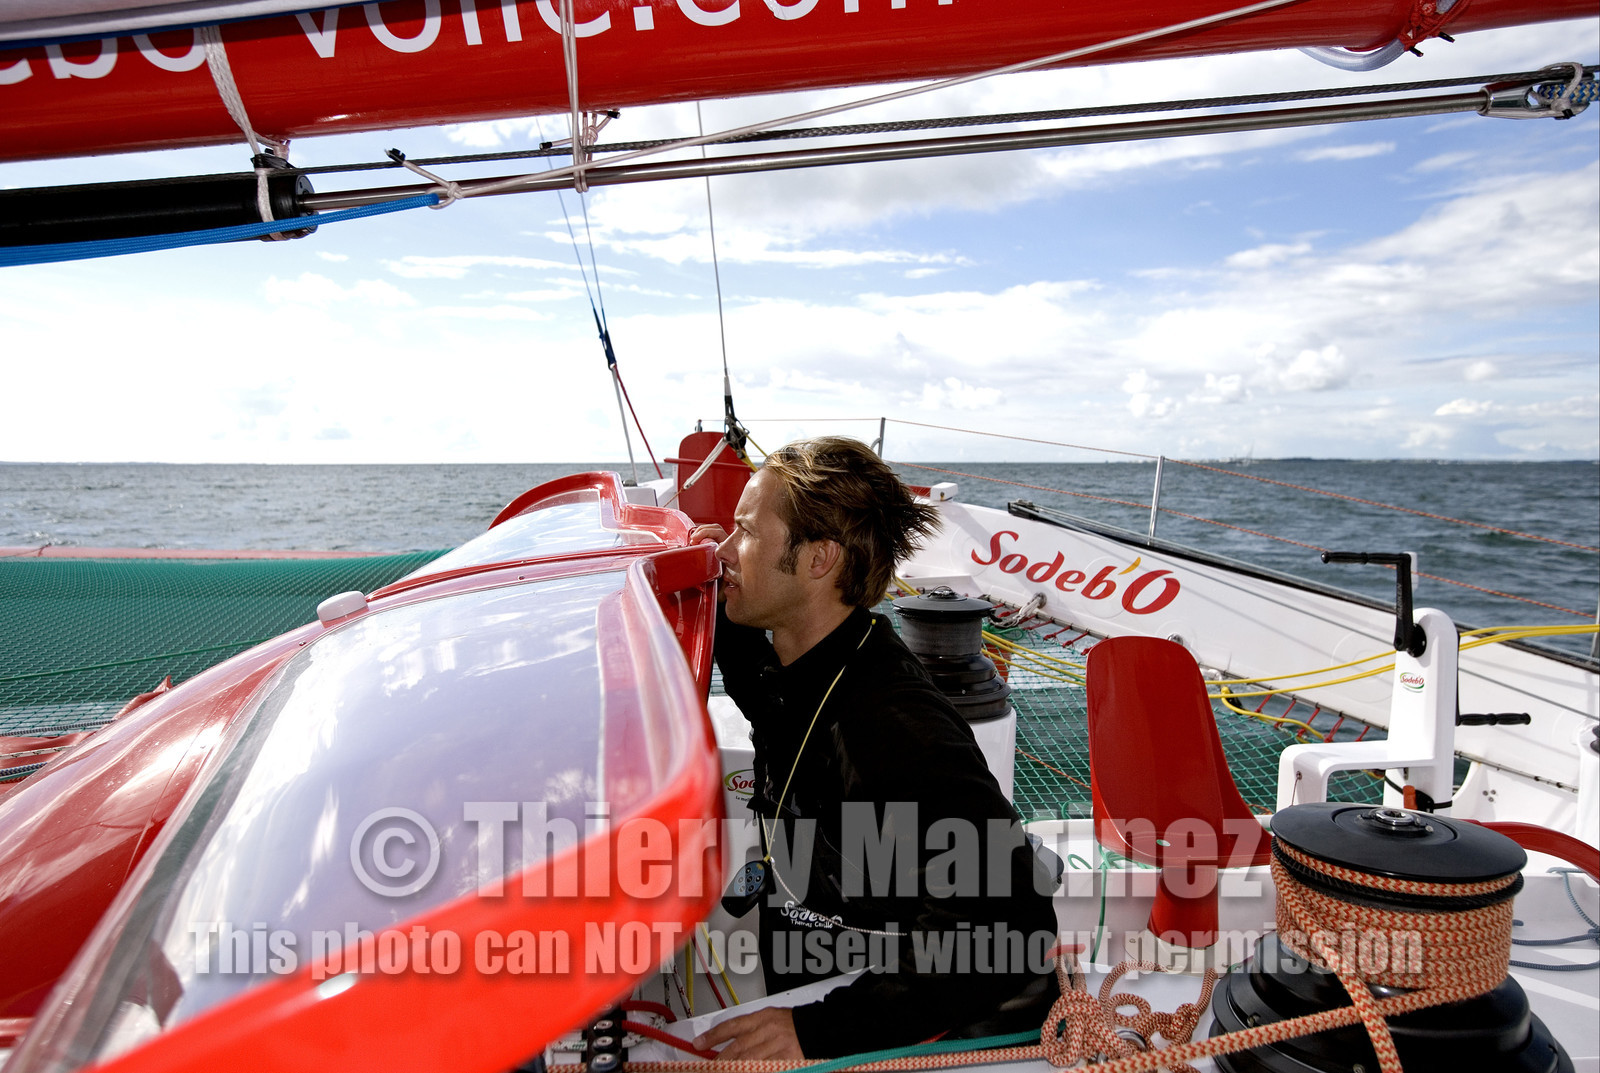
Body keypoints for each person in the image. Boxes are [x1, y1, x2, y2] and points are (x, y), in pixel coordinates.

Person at [687, 437, 1059, 1061]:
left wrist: (815, 1031)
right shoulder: (792, 655)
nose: (725, 551)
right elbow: (745, 665)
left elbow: (1011, 926)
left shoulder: (889, 727)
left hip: (882, 1011)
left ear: (818, 560)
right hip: (815, 965)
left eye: (745, 533)